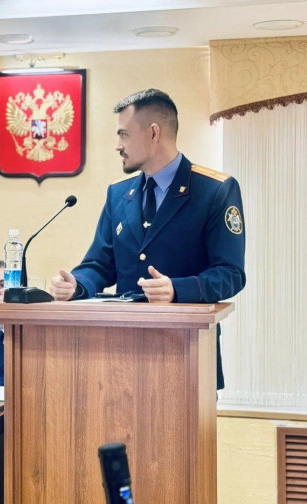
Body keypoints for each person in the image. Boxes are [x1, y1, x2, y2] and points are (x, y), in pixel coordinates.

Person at [49, 88, 246, 389]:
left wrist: (176, 290)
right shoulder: (119, 193)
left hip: (186, 353)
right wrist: (76, 284)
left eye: (124, 134)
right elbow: (100, 265)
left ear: (153, 133)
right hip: (120, 356)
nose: (117, 145)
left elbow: (231, 273)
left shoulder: (215, 190)